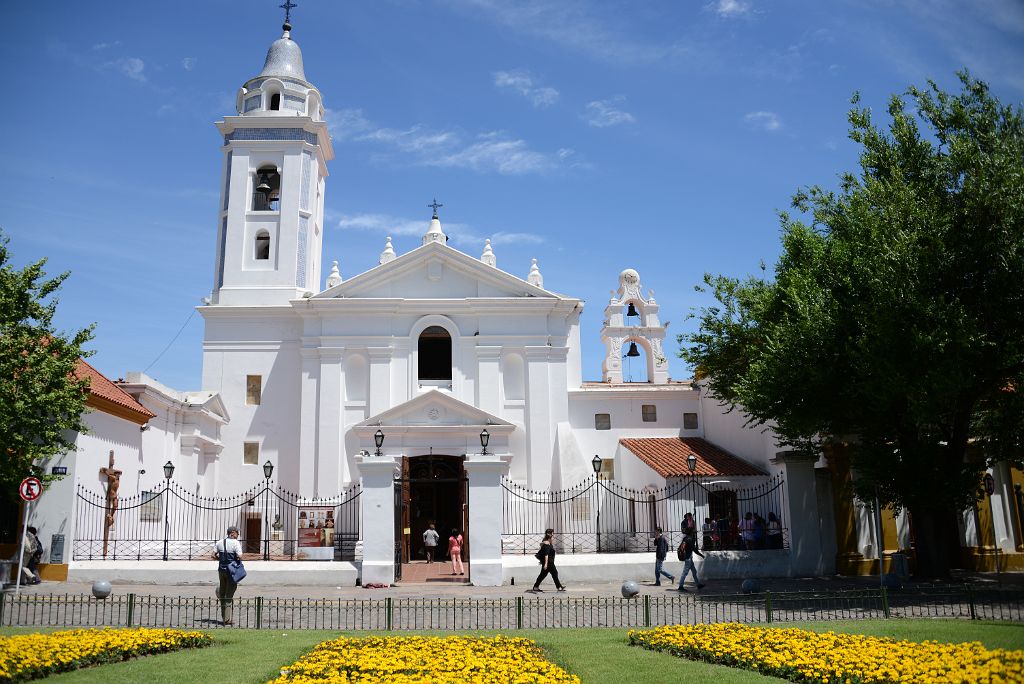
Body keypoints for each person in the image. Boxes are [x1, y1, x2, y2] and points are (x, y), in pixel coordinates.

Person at [214, 526, 243, 625]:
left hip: (221, 570)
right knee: (229, 595)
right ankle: (226, 620)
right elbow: (240, 556)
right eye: (237, 534)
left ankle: (224, 617)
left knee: (222, 593)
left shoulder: (219, 542)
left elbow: (213, 555)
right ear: (233, 533)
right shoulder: (235, 543)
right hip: (231, 572)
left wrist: (221, 560)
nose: (237, 536)